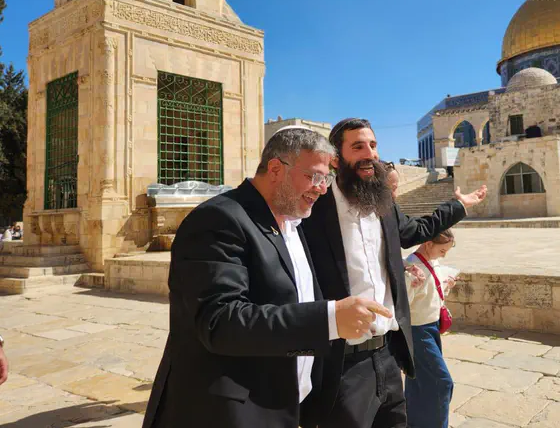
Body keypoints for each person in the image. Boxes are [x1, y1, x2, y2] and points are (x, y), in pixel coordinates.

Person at [142, 127, 392, 428]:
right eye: (314, 176)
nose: (322, 188)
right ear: (276, 169)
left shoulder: (294, 224)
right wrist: (329, 319)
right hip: (230, 413)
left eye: (326, 179)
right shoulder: (219, 219)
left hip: (285, 406)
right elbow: (220, 321)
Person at [301, 118, 487, 428]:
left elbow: (415, 231)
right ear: (336, 158)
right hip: (342, 361)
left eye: (373, 145)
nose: (369, 153)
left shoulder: (382, 203)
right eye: (358, 146)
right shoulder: (315, 208)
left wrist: (459, 206)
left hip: (387, 354)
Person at [404, 229, 458, 428]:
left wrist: (447, 285)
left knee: (418, 379)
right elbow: (403, 306)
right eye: (442, 251)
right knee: (442, 382)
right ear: (428, 244)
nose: (443, 255)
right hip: (418, 331)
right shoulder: (411, 268)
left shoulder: (432, 262)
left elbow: (428, 296)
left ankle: (412, 421)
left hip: (431, 327)